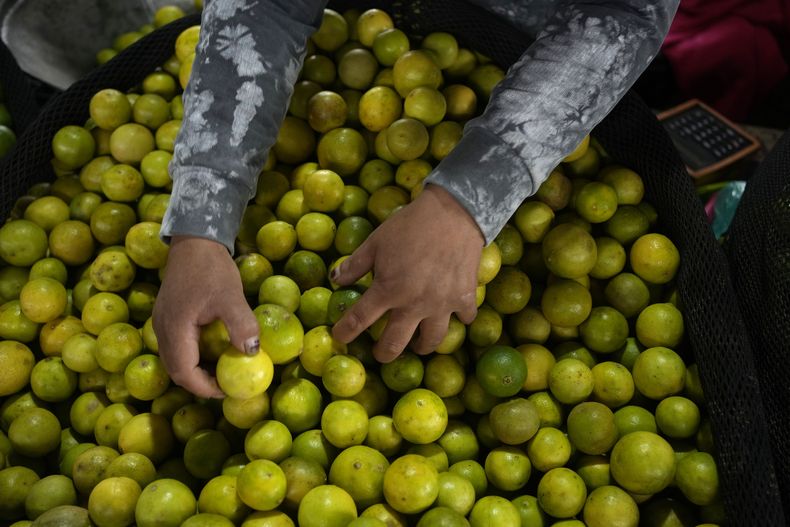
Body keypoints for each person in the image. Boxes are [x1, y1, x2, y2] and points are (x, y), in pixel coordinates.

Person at [153, 0, 679, 398]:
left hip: (554, 60)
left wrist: (469, 200)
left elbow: (624, 12)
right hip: (389, 40)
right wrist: (203, 215)